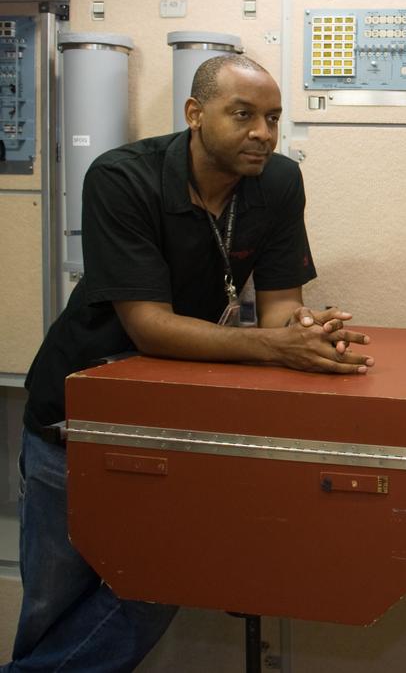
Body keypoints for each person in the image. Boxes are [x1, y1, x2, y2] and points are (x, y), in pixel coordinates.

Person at [7, 54, 374, 672]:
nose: (263, 132)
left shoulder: (278, 182)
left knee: (164, 582)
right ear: (195, 115)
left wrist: (308, 334)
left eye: (274, 118)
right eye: (244, 114)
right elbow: (149, 327)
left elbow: (282, 305)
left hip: (173, 423)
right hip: (72, 423)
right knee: (51, 604)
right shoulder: (122, 177)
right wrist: (274, 346)